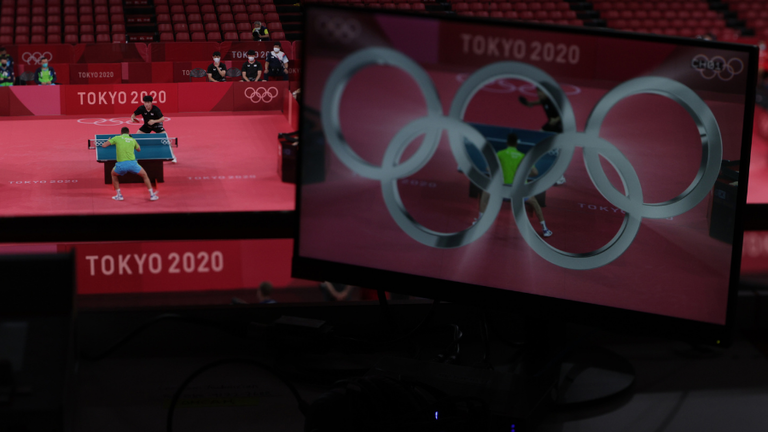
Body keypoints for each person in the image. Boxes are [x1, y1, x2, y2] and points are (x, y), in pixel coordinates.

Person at [477, 133, 552, 238]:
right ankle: (545, 229)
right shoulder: (523, 157)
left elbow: (488, 169)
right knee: (535, 203)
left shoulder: (501, 153)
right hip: (519, 191)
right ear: (516, 144)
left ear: (507, 143)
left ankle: (479, 223)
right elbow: (535, 173)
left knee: (485, 196)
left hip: (502, 190)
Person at [519, 88, 566, 185]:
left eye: (541, 93)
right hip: (551, 125)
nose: (539, 95)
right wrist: (530, 103)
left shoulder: (553, 101)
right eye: (538, 93)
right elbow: (539, 101)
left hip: (559, 127)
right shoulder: (544, 100)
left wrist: (556, 120)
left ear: (546, 92)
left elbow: (564, 113)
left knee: (558, 153)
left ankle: (560, 177)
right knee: (538, 137)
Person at [100, 127, 159, 201]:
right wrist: (134, 141)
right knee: (145, 175)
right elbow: (139, 150)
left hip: (121, 165)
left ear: (121, 133)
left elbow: (104, 145)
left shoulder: (117, 138)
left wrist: (108, 141)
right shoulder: (133, 140)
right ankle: (152, 195)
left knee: (113, 174)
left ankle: (119, 195)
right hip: (133, 165)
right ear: (129, 133)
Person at [131, 95, 176, 163]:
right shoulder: (141, 108)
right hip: (147, 126)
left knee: (166, 139)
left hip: (157, 126)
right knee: (137, 137)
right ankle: (134, 156)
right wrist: (133, 118)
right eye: (145, 102)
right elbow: (133, 115)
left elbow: (162, 119)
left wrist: (154, 121)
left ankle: (173, 156)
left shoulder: (156, 109)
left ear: (151, 102)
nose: (146, 104)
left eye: (148, 102)